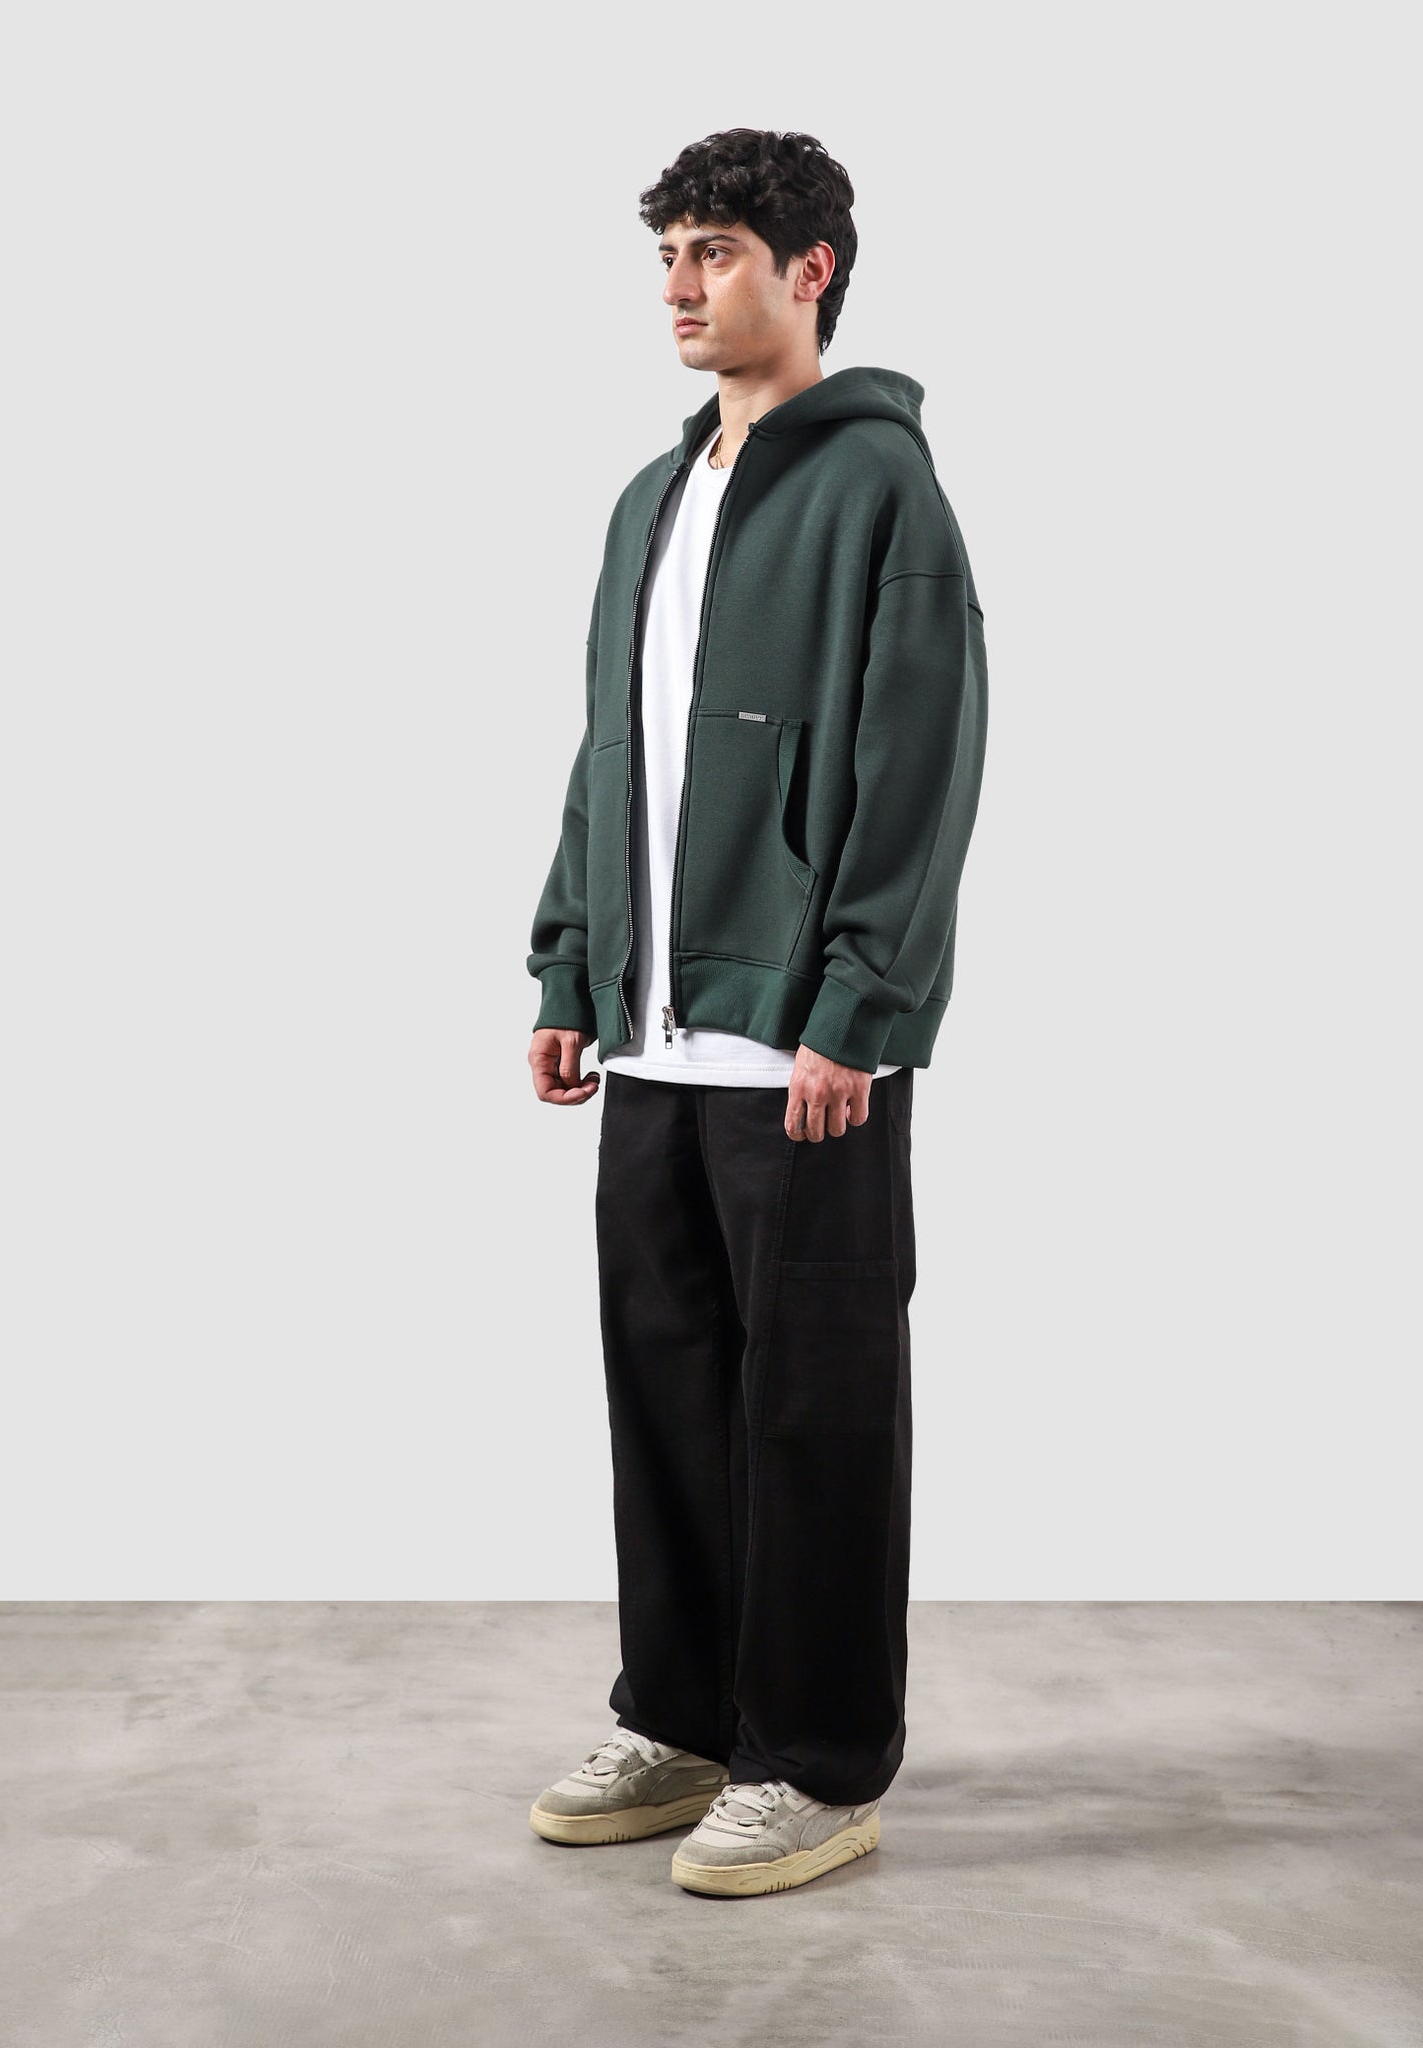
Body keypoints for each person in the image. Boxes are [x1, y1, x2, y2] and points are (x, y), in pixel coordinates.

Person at [523, 128, 988, 1898]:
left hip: (806, 1045)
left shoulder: (881, 491)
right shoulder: (649, 499)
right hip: (653, 1032)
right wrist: (570, 963)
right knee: (664, 1392)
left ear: (811, 271)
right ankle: (685, 1716)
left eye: (713, 250)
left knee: (818, 1409)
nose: (679, 285)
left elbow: (920, 765)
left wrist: (859, 1005)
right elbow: (610, 755)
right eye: (668, 252)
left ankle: (816, 1760)